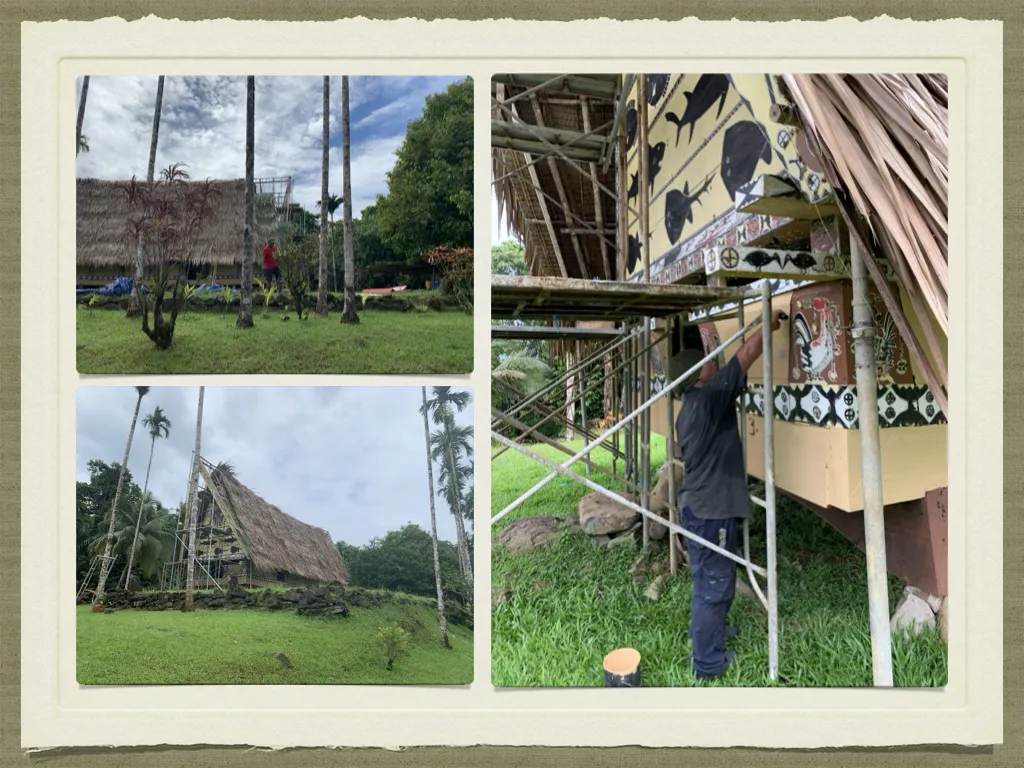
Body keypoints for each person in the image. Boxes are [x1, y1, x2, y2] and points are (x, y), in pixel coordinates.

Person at [674, 309, 787, 680]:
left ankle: (713, 633)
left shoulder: (691, 407)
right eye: (708, 360)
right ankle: (708, 662)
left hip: (701, 507)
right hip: (710, 511)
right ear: (700, 373)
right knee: (715, 584)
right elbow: (744, 356)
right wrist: (766, 322)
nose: (714, 362)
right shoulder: (708, 401)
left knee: (710, 578)